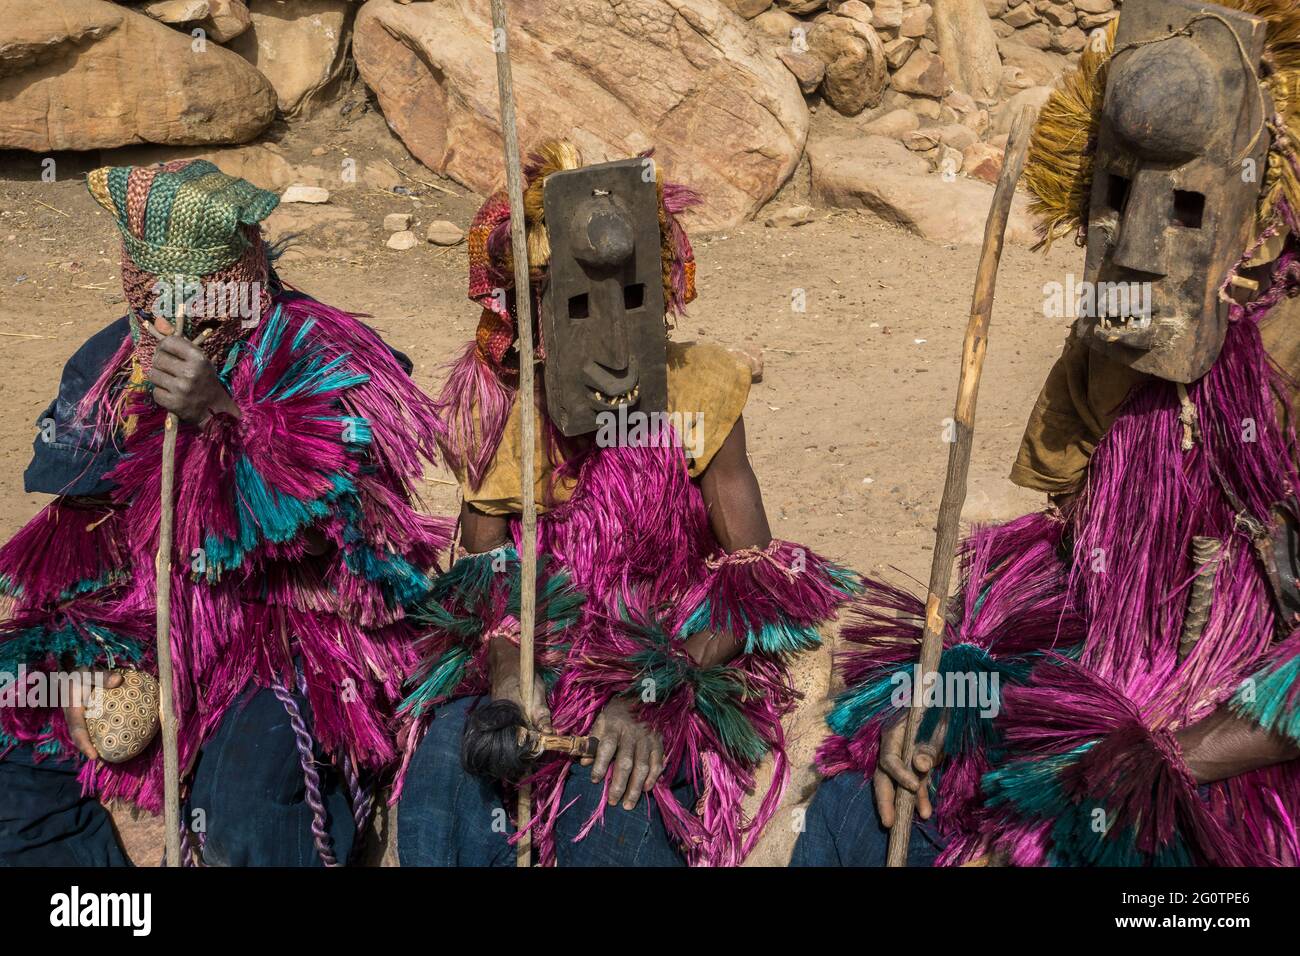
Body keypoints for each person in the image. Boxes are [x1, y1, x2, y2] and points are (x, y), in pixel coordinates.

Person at [796, 0, 1300, 866]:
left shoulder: (1287, 365)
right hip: (1101, 686)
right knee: (862, 812)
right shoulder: (1107, 342)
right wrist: (949, 685)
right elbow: (1074, 561)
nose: (1137, 253)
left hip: (1236, 728)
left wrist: (1169, 759)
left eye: (1183, 208)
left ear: (1260, 216)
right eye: (1115, 199)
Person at [396, 141, 858, 867]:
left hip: (666, 655)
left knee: (608, 823)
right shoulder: (502, 420)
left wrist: (653, 689)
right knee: (436, 809)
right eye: (579, 310)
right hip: (542, 664)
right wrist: (510, 679)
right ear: (531, 319)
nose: (614, 349)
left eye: (633, 304)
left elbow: (758, 581)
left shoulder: (697, 392)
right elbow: (480, 594)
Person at [0, 160, 450, 866]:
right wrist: (85, 657)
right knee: (13, 743)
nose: (174, 317)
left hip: (289, 632)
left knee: (243, 807)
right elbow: (77, 542)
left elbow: (359, 549)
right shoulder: (111, 370)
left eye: (199, 294)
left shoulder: (326, 357)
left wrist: (225, 416)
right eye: (153, 297)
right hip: (143, 627)